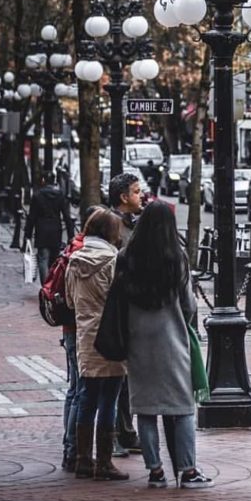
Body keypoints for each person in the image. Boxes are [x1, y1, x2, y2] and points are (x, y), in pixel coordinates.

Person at [116, 201, 213, 489]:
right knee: (181, 407)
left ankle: (155, 470)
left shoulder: (126, 256)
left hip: (138, 341)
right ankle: (187, 469)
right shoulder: (176, 257)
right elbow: (189, 304)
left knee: (145, 409)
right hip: (171, 341)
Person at [65, 207, 128, 481]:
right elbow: (124, 300)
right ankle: (104, 462)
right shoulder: (114, 260)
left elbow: (69, 300)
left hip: (85, 336)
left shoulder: (74, 260)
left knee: (87, 397)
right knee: (110, 399)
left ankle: (82, 459)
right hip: (111, 336)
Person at [58, 205, 102, 472]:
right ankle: (73, 450)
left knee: (75, 390)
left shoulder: (71, 247)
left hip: (70, 328)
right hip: (81, 329)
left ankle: (70, 449)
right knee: (81, 392)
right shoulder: (86, 253)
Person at [108, 171, 143, 456]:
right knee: (116, 377)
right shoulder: (113, 226)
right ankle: (116, 433)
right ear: (123, 197)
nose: (141, 195)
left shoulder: (134, 224)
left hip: (132, 311)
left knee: (128, 377)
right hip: (117, 312)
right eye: (136, 191)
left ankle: (127, 431)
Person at [25, 171, 74, 283]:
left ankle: (45, 286)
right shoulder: (60, 195)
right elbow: (66, 216)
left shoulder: (37, 196)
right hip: (56, 229)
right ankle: (52, 285)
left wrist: (28, 234)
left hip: (41, 229)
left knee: (43, 259)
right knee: (54, 259)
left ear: (43, 181)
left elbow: (32, 217)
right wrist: (71, 235)